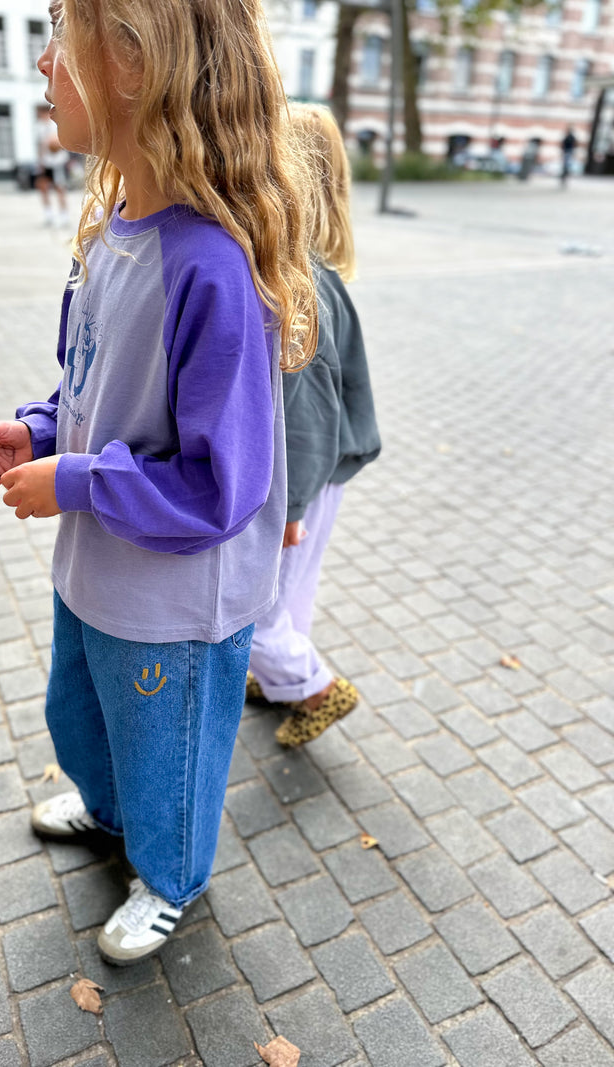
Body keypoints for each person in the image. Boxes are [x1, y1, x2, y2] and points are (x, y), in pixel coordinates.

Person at [0, 0, 316, 966]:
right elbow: (92, 385)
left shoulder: (211, 267)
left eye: (59, 35)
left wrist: (74, 481)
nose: (42, 62)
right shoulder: (112, 229)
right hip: (99, 569)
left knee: (171, 752)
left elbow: (219, 485)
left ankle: (168, 875)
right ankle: (109, 807)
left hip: (174, 599)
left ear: (132, 63)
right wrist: (37, 428)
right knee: (81, 709)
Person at [246, 103, 381, 748]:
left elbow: (301, 412)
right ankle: (281, 681)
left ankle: (316, 688)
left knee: (259, 616)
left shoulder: (292, 282)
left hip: (304, 476)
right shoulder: (317, 272)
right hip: (328, 468)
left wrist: (290, 507)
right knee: (292, 596)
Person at [35, 103, 70, 227]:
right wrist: (40, 162)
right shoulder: (39, 127)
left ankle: (64, 215)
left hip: (57, 162)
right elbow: (40, 147)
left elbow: (58, 144)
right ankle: (48, 214)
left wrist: (53, 145)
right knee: (42, 187)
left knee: (60, 189)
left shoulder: (54, 125)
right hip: (46, 163)